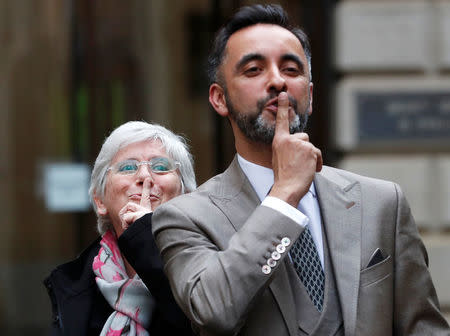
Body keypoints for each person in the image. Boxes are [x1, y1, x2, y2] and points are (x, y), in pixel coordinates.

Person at [151, 4, 450, 336]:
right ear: (219, 98)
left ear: (309, 95)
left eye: (291, 70)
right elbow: (213, 311)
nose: (277, 81)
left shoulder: (382, 203)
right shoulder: (184, 218)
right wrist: (283, 197)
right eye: (253, 70)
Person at [44, 121, 196, 336]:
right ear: (100, 200)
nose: (145, 177)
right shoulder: (76, 284)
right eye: (128, 167)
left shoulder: (206, 265)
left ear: (186, 195)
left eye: (161, 167)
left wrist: (146, 238)